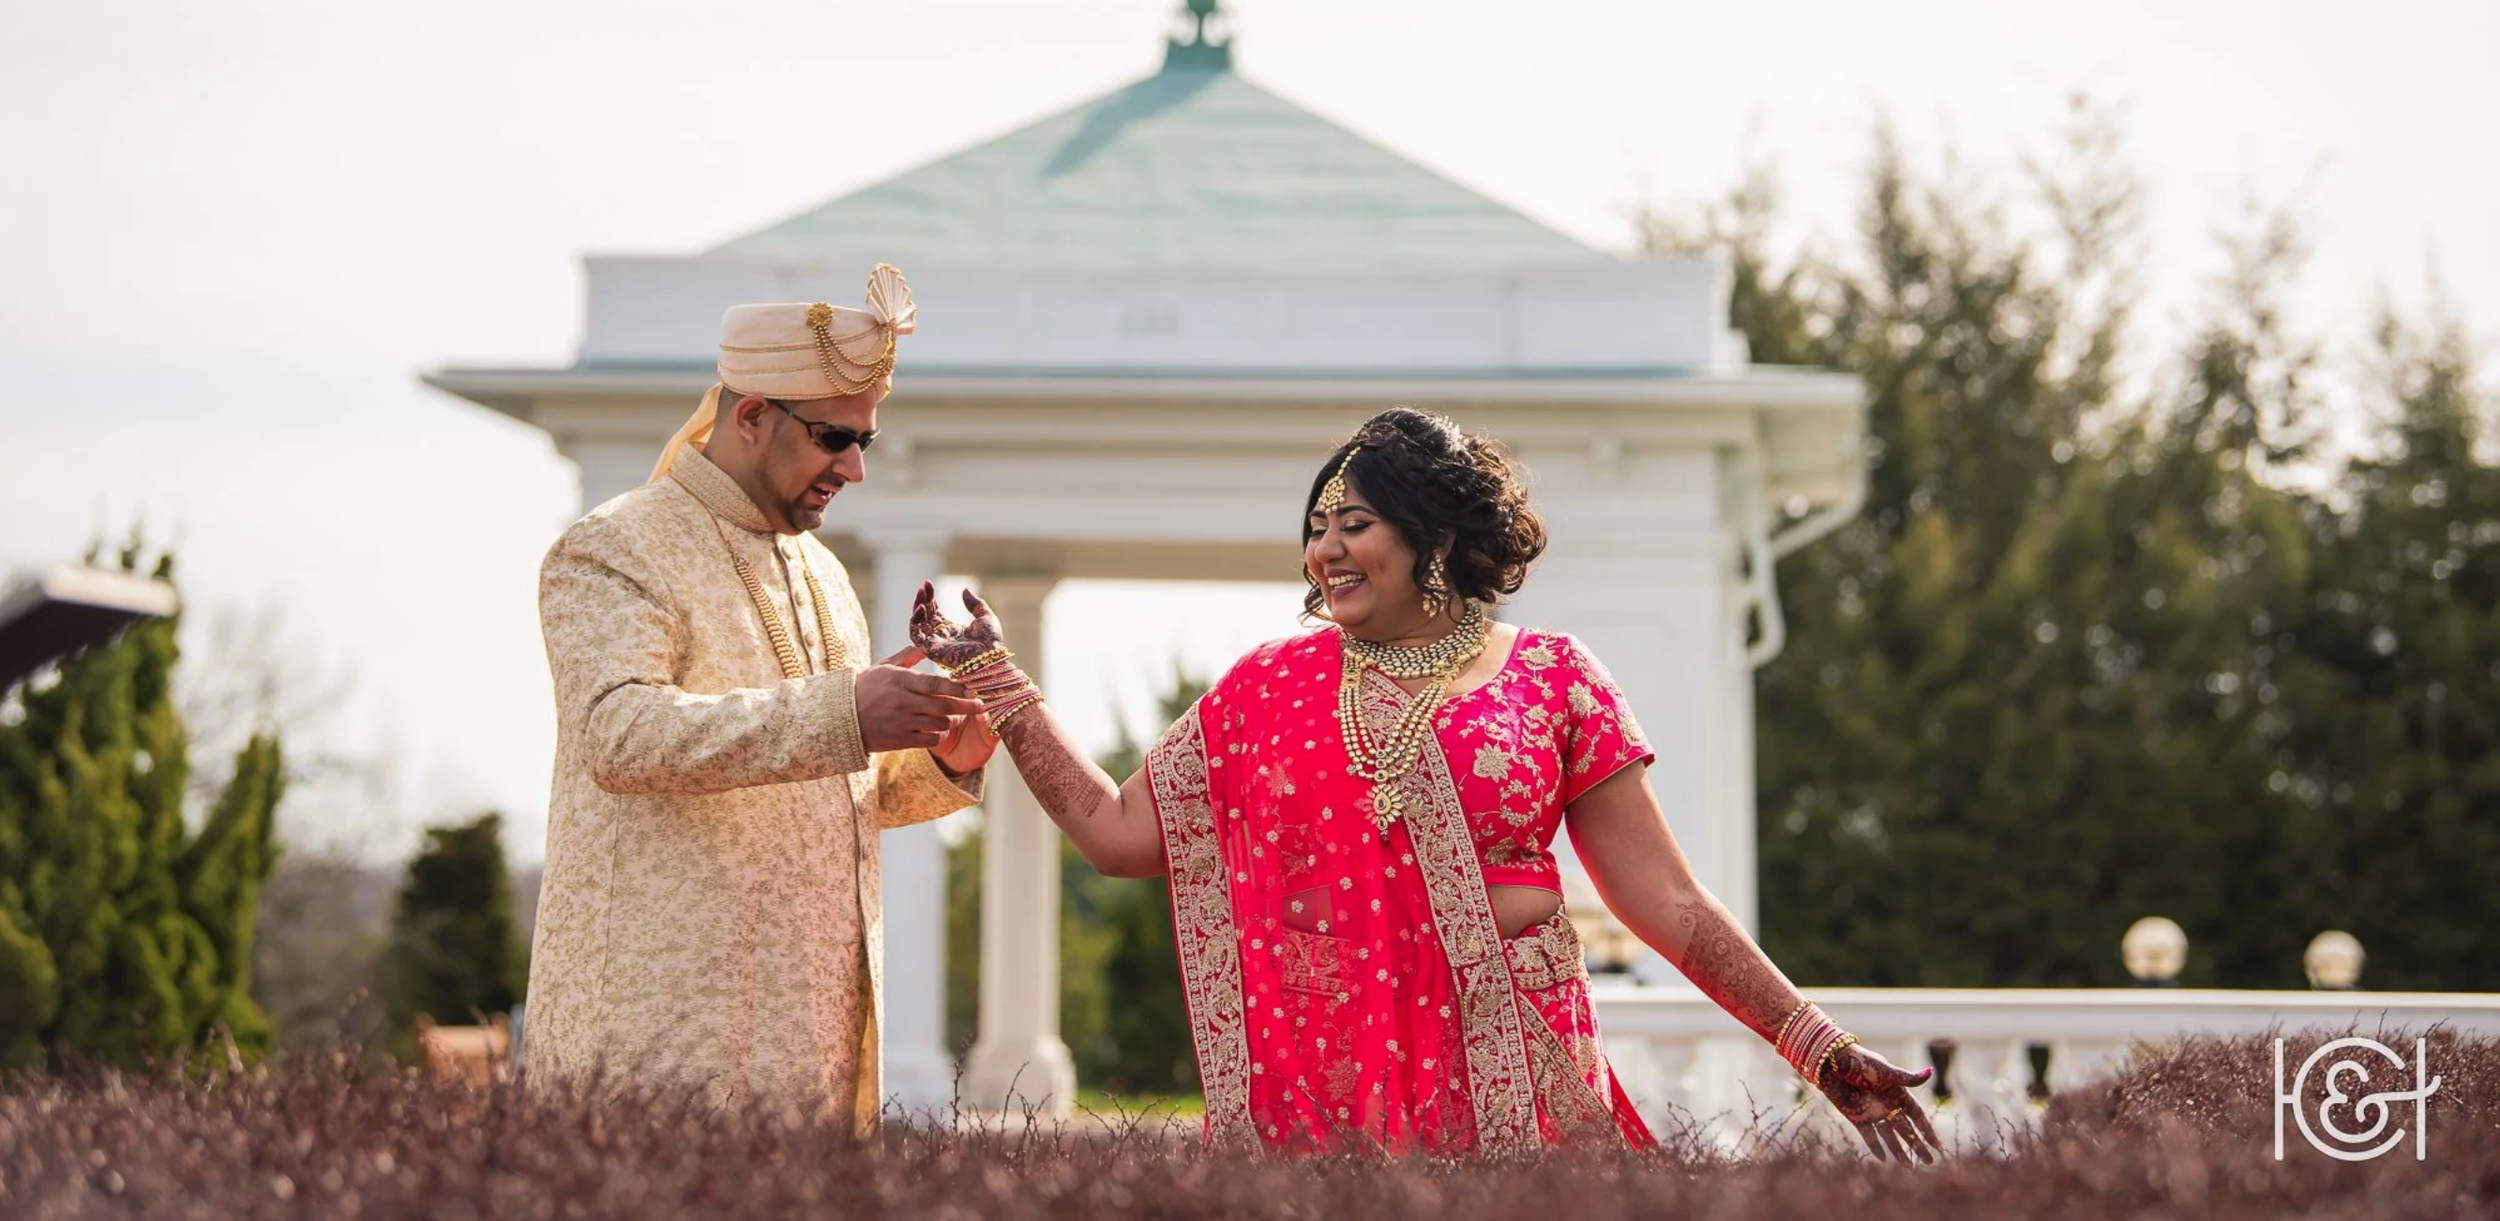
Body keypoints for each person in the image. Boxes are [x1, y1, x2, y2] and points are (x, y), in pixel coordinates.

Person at [912, 406, 1940, 1160]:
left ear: (1435, 538)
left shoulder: (1553, 677)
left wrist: (1816, 1046)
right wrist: (995, 682)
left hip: (1520, 1068)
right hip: (1338, 1089)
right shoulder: (1269, 686)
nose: (1323, 550)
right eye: (1316, 527)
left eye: (1352, 523)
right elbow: (1114, 832)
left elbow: (1662, 898)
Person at [524, 265, 997, 1130]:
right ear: (750, 416)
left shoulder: (821, 574)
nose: (853, 466)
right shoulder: (615, 549)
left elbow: (827, 790)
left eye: (865, 441)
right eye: (832, 437)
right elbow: (616, 733)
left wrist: (937, 751)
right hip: (656, 1046)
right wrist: (848, 711)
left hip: (808, 1050)